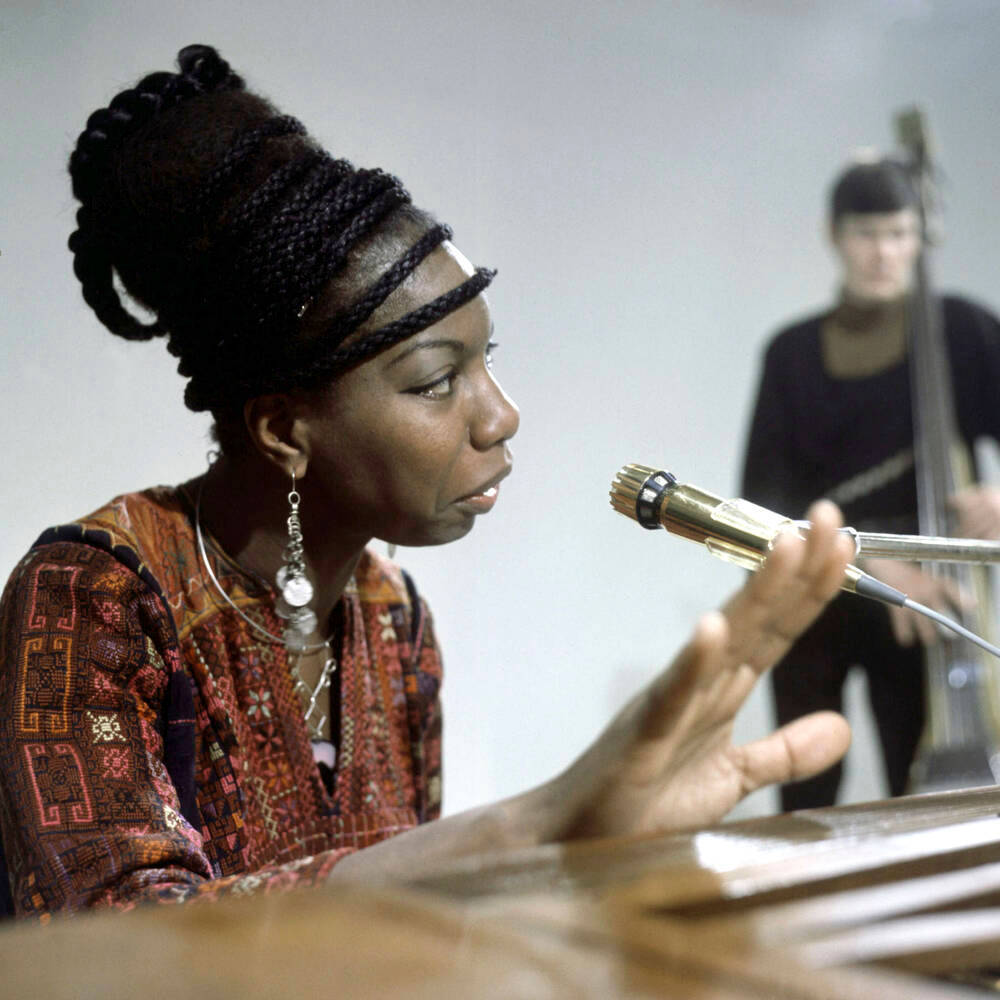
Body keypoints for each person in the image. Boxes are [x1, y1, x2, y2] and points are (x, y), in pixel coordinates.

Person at [0, 45, 856, 919]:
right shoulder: (94, 597)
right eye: (437, 381)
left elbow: (407, 937)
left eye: (489, 364)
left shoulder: (393, 619)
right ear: (284, 429)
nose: (500, 417)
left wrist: (596, 857)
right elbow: (109, 944)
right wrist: (535, 825)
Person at [741, 156, 1000, 811]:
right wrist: (883, 572)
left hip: (925, 598)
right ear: (834, 235)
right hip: (821, 585)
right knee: (806, 785)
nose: (883, 253)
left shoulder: (963, 330)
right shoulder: (791, 353)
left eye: (899, 233)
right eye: (866, 233)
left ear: (920, 236)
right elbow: (765, 500)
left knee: (915, 783)